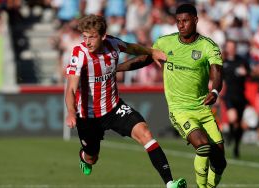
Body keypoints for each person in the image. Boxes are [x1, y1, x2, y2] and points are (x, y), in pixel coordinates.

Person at [64, 14, 186, 188]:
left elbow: (133, 48)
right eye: (85, 37)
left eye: (92, 37)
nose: (87, 42)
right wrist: (70, 112)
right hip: (88, 116)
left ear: (103, 36)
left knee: (145, 133)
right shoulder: (79, 54)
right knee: (92, 157)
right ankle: (84, 157)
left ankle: (170, 183)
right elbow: (70, 89)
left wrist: (152, 52)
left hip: (114, 108)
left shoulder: (113, 44)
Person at [117, 4, 227, 188]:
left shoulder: (208, 46)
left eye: (185, 21)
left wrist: (214, 91)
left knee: (220, 162)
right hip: (180, 110)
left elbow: (217, 73)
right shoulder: (164, 43)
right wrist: (116, 68)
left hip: (203, 109)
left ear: (196, 20)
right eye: (178, 22)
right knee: (202, 145)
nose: (181, 25)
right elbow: (143, 60)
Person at [222, 40, 250, 158]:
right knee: (233, 119)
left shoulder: (242, 61)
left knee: (238, 124)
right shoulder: (224, 63)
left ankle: (236, 146)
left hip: (241, 96)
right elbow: (220, 79)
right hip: (229, 96)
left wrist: (246, 73)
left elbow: (250, 73)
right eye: (229, 47)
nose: (231, 49)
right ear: (227, 48)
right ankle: (229, 135)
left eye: (233, 47)